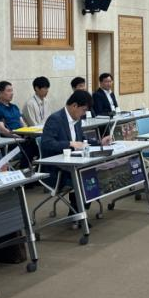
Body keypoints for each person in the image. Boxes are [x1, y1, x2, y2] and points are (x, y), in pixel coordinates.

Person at [41, 91, 111, 224]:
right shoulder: (55, 119)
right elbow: (46, 143)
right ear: (74, 106)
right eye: (83, 110)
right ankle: (78, 215)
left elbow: (82, 141)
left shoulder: (77, 120)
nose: (84, 114)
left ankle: (77, 213)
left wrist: (100, 142)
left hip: (74, 165)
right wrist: (69, 144)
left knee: (95, 174)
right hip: (56, 169)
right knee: (85, 179)